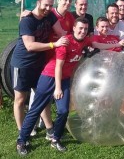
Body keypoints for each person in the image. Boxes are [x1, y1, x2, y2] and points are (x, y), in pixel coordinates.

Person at [16, 17, 91, 156]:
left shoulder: (85, 40)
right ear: (73, 28)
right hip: (49, 77)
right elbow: (58, 66)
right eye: (80, 28)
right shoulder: (65, 42)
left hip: (65, 79)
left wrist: (118, 43)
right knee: (36, 109)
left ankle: (55, 139)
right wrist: (57, 88)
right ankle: (21, 140)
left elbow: (98, 43)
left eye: (85, 29)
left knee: (63, 111)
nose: (83, 31)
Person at [10, 0, 68, 138]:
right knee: (20, 99)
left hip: (40, 64)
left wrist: (77, 40)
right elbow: (30, 46)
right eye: (45, 5)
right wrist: (54, 44)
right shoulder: (27, 20)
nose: (48, 8)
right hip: (22, 64)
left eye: (50, 5)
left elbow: (61, 33)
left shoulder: (50, 16)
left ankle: (49, 129)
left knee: (43, 96)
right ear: (38, 3)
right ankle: (22, 131)